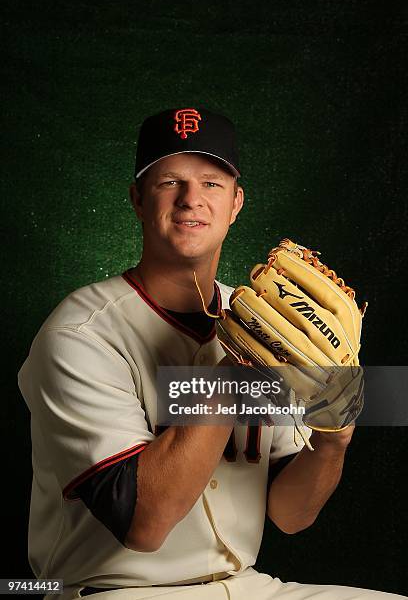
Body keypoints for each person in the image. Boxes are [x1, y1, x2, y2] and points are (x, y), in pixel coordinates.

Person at [18, 107, 405, 600]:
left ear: (236, 203)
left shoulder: (270, 323)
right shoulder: (79, 334)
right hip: (112, 589)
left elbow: (290, 516)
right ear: (137, 199)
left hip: (245, 586)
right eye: (169, 182)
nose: (191, 200)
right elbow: (144, 524)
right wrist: (233, 380)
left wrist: (333, 439)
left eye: (212, 183)